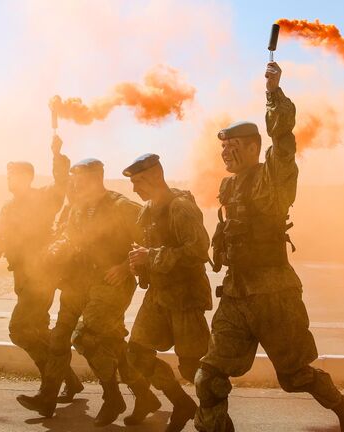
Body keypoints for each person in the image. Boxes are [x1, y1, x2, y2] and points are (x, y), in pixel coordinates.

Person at [193, 62, 344, 432]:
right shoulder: (228, 187)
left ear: (254, 147)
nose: (226, 154)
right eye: (223, 148)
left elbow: (283, 139)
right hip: (236, 297)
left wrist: (273, 93)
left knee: (294, 376)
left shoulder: (273, 177)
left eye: (234, 147)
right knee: (209, 378)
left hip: (274, 296)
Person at [16, 158, 159, 427]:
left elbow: (151, 241)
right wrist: (54, 250)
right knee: (60, 338)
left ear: (94, 178)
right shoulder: (76, 208)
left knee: (90, 337)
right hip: (78, 281)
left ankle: (113, 397)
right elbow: (68, 236)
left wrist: (126, 268)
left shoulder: (122, 207)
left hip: (110, 281)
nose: (73, 183)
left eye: (77, 178)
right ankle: (48, 396)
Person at [0, 136, 83, 408]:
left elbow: (62, 184)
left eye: (12, 175)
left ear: (26, 177)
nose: (8, 180)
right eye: (8, 175)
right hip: (23, 276)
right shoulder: (8, 207)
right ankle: (69, 380)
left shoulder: (43, 197)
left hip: (42, 275)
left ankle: (50, 388)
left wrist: (57, 154)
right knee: (36, 329)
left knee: (20, 330)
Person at [123, 153, 212, 432]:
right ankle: (181, 403)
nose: (134, 188)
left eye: (139, 181)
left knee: (192, 368)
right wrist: (140, 263)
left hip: (185, 298)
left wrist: (151, 257)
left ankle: (217, 421)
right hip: (159, 296)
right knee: (137, 354)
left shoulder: (180, 207)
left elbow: (198, 251)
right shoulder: (147, 209)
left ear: (155, 178)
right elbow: (148, 249)